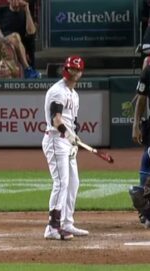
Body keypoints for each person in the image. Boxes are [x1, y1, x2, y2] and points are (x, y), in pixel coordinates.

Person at [42, 55, 88, 240]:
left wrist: (74, 138)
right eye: (71, 69)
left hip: (67, 143)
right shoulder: (57, 91)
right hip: (55, 140)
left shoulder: (74, 95)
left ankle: (67, 222)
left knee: (73, 183)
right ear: (65, 69)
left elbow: (72, 122)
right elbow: (56, 120)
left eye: (77, 70)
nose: (74, 73)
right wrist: (69, 135)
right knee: (61, 183)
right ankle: (52, 227)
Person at [0, 0, 40, 77]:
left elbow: (31, 33)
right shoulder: (0, 11)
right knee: (15, 36)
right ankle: (27, 69)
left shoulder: (26, 14)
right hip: (1, 41)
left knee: (17, 39)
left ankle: (24, 69)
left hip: (20, 45)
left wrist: (27, 9)